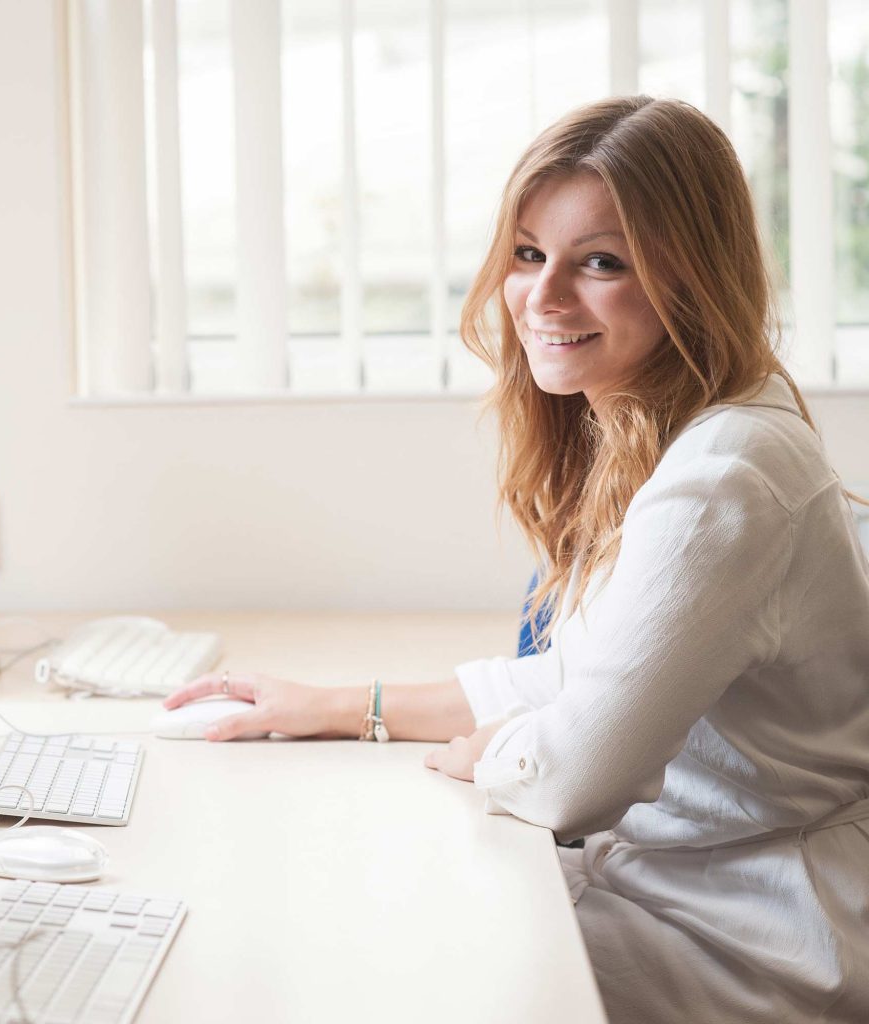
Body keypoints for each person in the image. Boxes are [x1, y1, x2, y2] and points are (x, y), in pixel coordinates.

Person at [164, 96, 869, 1023]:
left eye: (602, 263)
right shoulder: (669, 424)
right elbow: (576, 681)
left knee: (359, 958)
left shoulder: (726, 474)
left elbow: (574, 776)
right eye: (529, 254)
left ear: (688, 277)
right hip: (667, 884)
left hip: (749, 933)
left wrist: (510, 750)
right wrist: (335, 706)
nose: (542, 298)